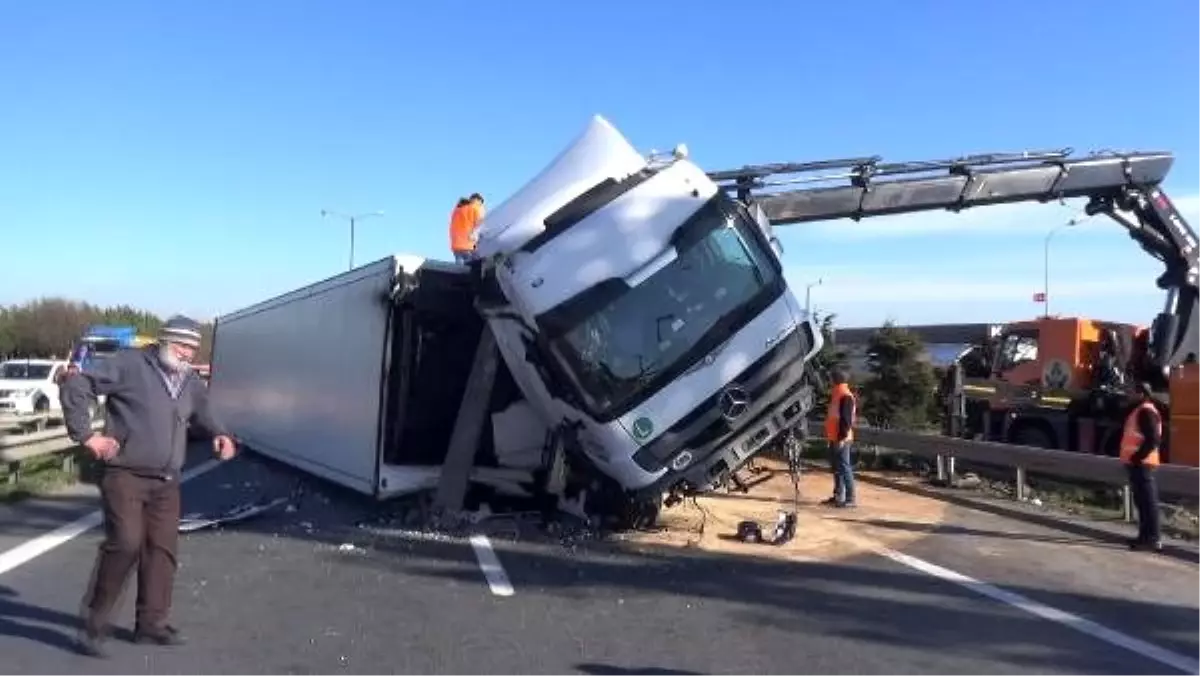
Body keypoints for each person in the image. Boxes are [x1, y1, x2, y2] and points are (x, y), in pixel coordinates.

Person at [59, 315, 238, 658]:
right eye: (184, 346)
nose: (188, 354)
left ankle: (151, 625)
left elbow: (204, 412)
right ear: (167, 341)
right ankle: (94, 626)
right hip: (125, 474)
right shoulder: (130, 364)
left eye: (193, 348)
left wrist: (221, 434)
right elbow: (76, 385)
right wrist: (86, 436)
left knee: (162, 552)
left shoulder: (189, 381)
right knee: (126, 544)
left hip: (167, 481)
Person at [1121, 381, 1164, 552]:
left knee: (1148, 503)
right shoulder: (1140, 410)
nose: (1129, 394)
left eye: (1132, 391)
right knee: (1142, 502)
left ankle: (1152, 538)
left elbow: (1153, 439)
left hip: (1143, 464)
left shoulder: (1145, 411)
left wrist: (1138, 457)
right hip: (1138, 463)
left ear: (1142, 394)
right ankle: (1144, 537)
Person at [822, 369, 857, 508]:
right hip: (834, 437)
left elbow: (846, 421)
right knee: (837, 468)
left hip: (841, 438)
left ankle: (850, 498)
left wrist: (841, 438)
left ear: (835, 379)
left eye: (831, 378)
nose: (829, 381)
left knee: (844, 467)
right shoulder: (837, 394)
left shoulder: (845, 396)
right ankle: (838, 495)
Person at [449, 194, 485, 264]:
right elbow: (480, 225)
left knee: (460, 268)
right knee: (475, 265)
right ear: (476, 200)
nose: (480, 205)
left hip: (456, 245)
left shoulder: (456, 211)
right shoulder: (474, 209)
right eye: (480, 203)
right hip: (468, 245)